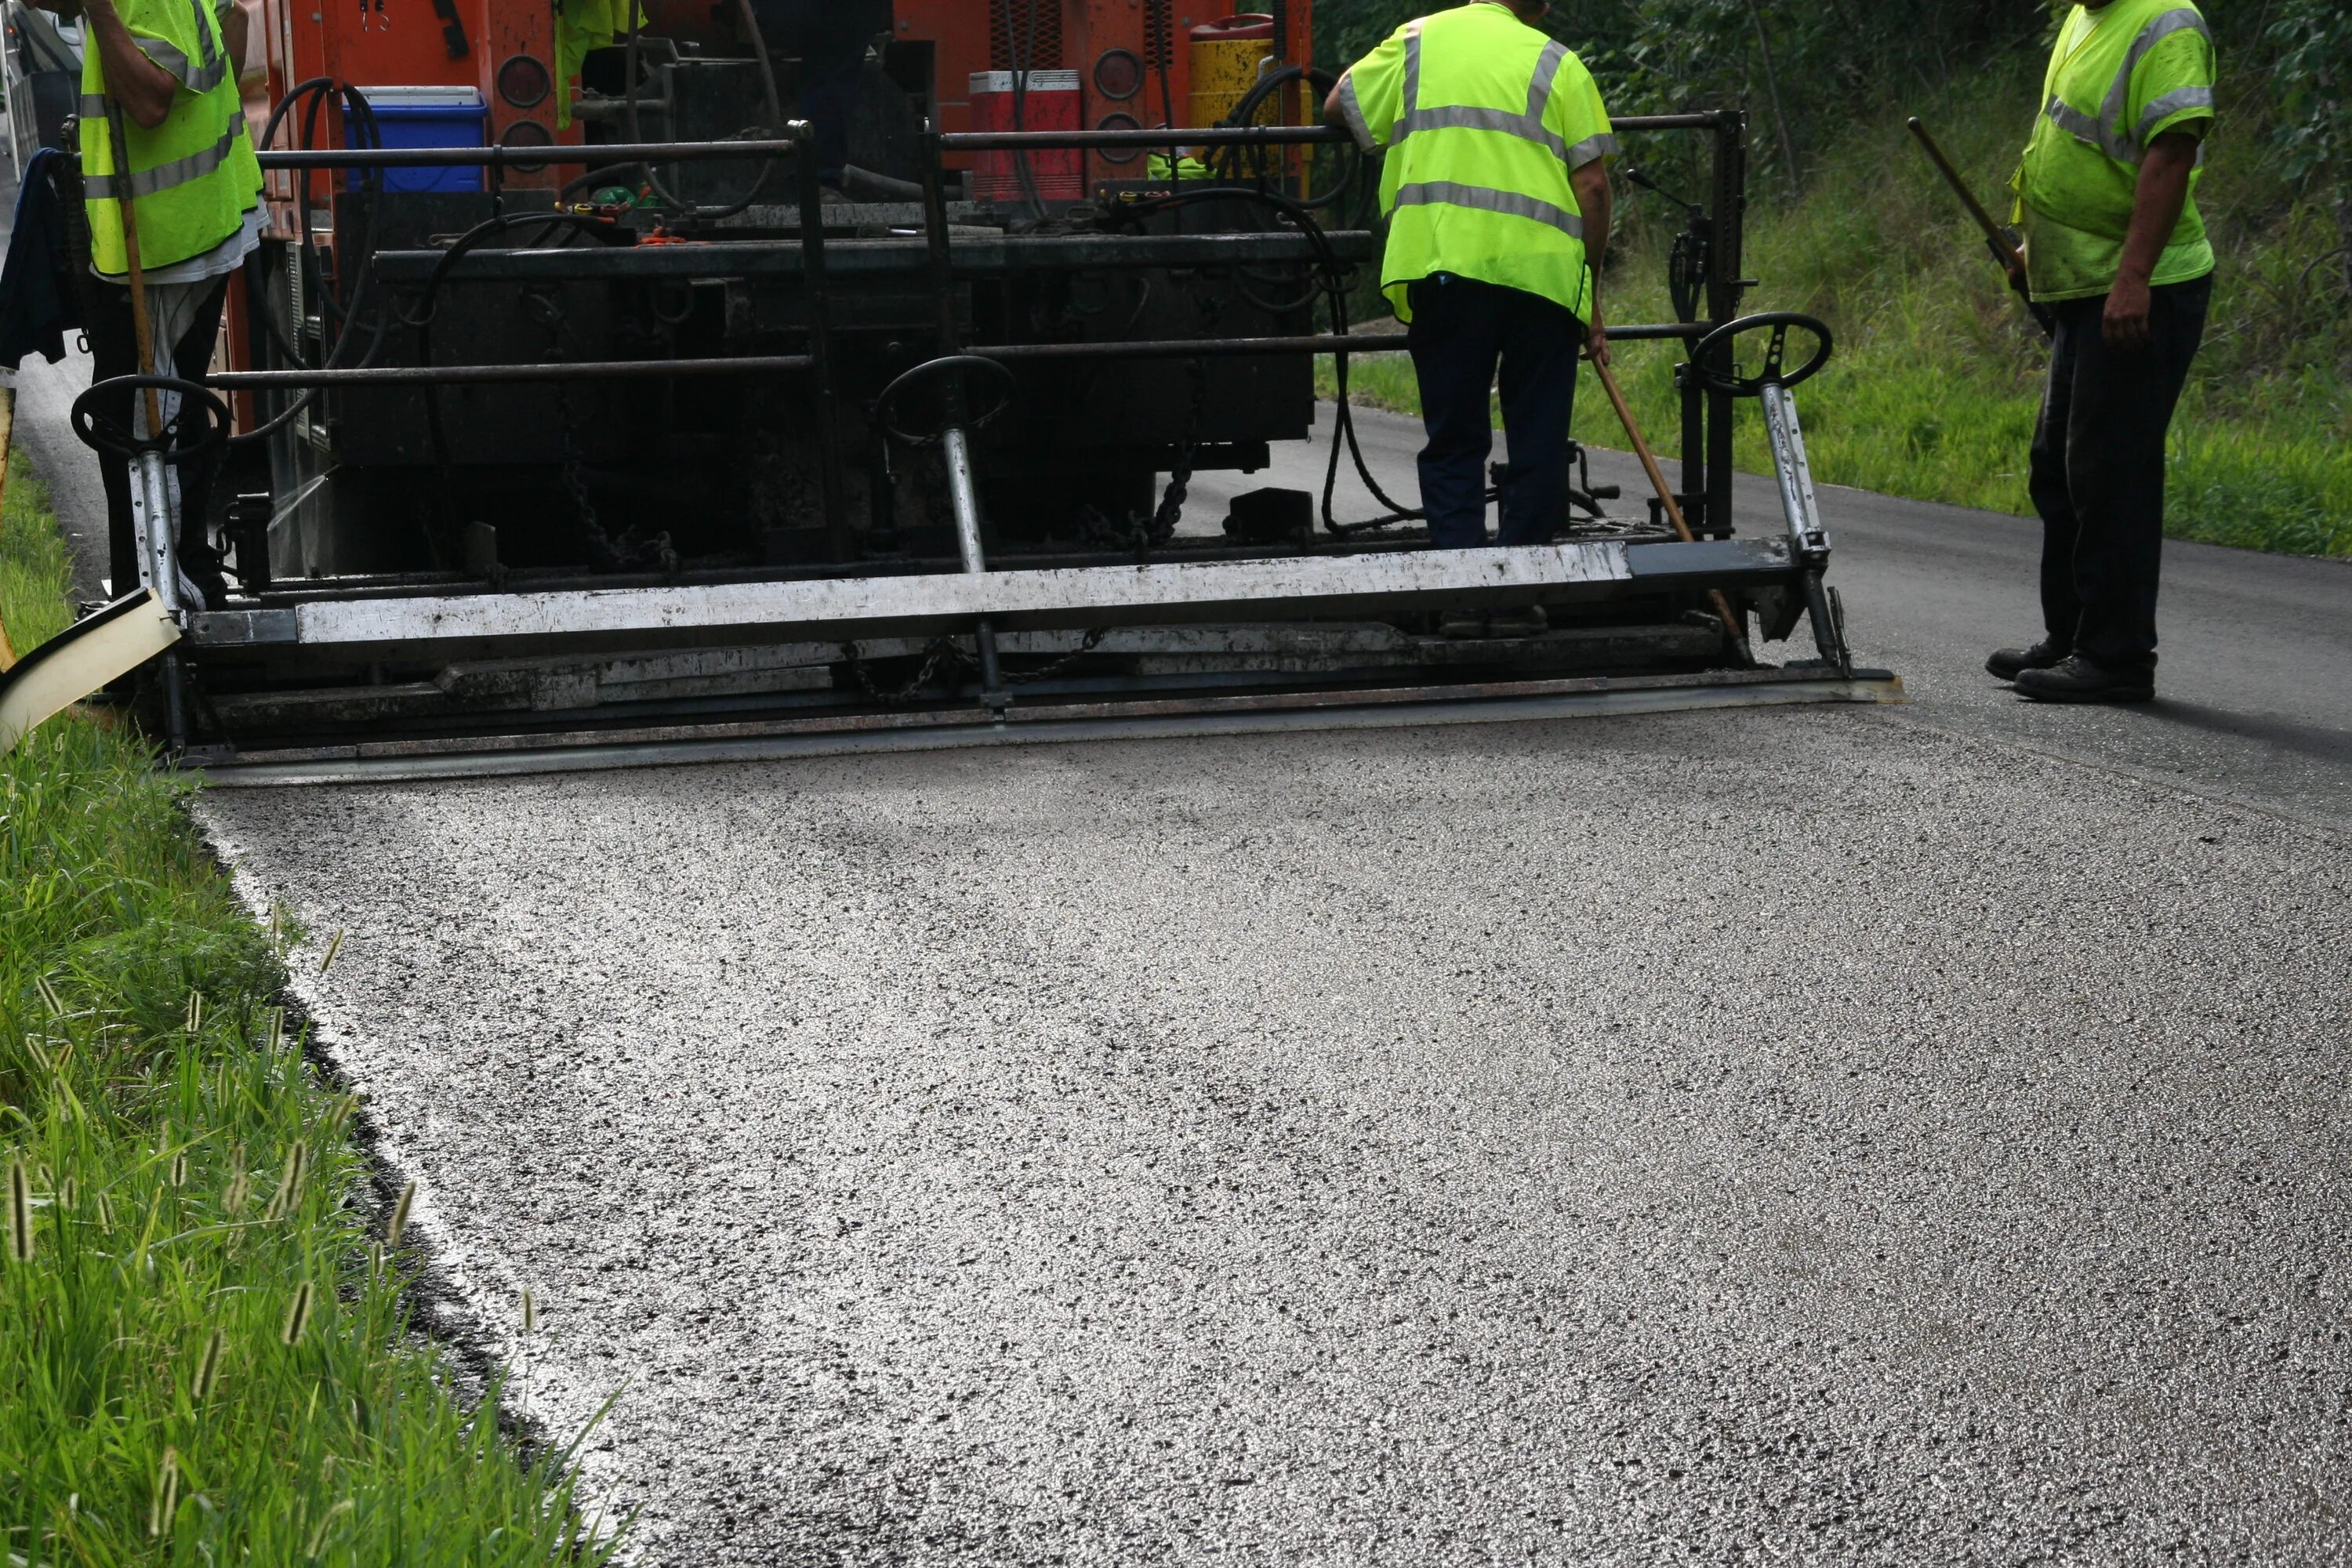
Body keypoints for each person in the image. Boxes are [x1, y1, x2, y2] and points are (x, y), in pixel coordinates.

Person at [1326, 0, 1614, 637]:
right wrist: (1588, 292)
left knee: (1456, 435)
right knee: (1537, 437)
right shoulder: (1557, 62)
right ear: (1536, 5)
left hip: (1445, 265)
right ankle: (1514, 597)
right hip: (1542, 277)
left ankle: (1460, 591)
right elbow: (1592, 185)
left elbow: (1339, 106)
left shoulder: (1417, 40)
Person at [1987, 0, 2216, 704]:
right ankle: (2075, 636)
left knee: (2110, 471)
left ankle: (2117, 657)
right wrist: (2035, 249)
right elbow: (2077, 152)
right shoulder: (2085, 19)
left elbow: (2171, 152)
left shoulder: (2166, 20)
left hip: (2138, 287)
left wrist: (2133, 279)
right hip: (2084, 282)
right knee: (2059, 467)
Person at [36, 0, 263, 606]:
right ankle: (183, 574)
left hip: (168, 243)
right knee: (168, 409)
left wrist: (98, 9)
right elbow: (234, 21)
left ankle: (157, 596)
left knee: (139, 430)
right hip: (194, 222)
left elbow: (150, 103)